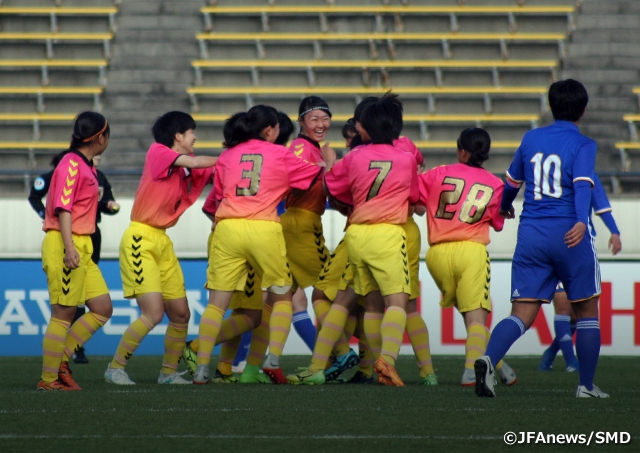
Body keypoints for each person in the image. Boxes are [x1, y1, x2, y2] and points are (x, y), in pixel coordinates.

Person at [475, 79, 608, 398]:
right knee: (587, 312)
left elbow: (511, 182)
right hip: (569, 234)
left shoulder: (531, 137)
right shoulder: (584, 144)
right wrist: (579, 220)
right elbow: (580, 185)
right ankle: (586, 386)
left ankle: (488, 360)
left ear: (551, 106)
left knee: (521, 313)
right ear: (584, 109)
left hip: (532, 233)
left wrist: (505, 208)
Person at [192, 105, 335, 385]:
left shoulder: (227, 155)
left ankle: (201, 368)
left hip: (227, 228)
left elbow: (219, 197)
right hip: (263, 227)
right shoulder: (280, 153)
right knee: (282, 296)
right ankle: (272, 359)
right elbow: (312, 179)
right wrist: (328, 162)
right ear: (270, 130)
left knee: (217, 305)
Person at [104, 111, 217, 385]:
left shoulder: (189, 165)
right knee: (153, 313)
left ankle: (167, 373)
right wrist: (231, 157)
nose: (195, 137)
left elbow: (216, 170)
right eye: (192, 132)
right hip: (140, 239)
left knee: (181, 314)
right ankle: (115, 368)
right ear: (178, 135)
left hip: (162, 240)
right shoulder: (158, 152)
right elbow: (199, 161)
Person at [322, 93, 419, 386]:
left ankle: (377, 367)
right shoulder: (406, 159)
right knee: (398, 302)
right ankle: (386, 361)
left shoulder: (354, 157)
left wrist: (329, 163)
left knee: (373, 304)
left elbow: (334, 189)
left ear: (364, 128)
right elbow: (415, 199)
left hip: (356, 234)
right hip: (387, 233)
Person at [419, 128, 516, 387]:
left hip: (437, 254)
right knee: (476, 317)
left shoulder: (438, 173)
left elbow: (413, 197)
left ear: (462, 150)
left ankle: (497, 362)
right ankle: (471, 372)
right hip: (471, 250)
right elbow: (497, 222)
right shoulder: (495, 185)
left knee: (467, 314)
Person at [38, 111, 114, 390]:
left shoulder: (85, 164)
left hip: (81, 243)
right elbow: (63, 208)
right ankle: (48, 380)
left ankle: (61, 360)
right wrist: (69, 247)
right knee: (63, 313)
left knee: (102, 308)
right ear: (100, 137)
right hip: (65, 242)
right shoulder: (71, 163)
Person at [29, 154, 120, 364]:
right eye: (95, 156)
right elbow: (37, 196)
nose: (98, 159)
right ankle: (53, 373)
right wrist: (44, 213)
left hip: (90, 234)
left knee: (95, 302)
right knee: (66, 307)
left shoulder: (99, 176)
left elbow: (106, 202)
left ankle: (65, 357)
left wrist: (110, 207)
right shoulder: (64, 171)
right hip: (67, 235)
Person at [539, 175, 622, 372]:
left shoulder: (587, 176)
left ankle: (551, 352)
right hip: (552, 243)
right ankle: (571, 362)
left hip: (580, 246)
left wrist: (615, 232)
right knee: (562, 306)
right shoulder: (551, 171)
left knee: (579, 315)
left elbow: (600, 204)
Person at [280, 96, 335, 353]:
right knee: (332, 287)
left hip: (296, 222)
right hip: (302, 222)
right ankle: (339, 353)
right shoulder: (302, 147)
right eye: (314, 118)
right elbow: (299, 183)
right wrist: (330, 167)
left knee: (285, 300)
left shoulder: (312, 147)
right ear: (301, 121)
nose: (321, 123)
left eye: (325, 118)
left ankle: (257, 362)